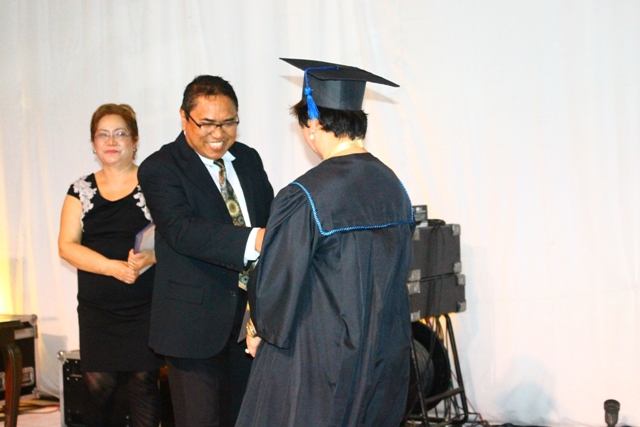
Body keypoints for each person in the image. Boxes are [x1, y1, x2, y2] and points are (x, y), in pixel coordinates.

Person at [237, 59, 416, 427]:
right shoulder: (395, 188)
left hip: (316, 362)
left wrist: (257, 330)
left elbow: (277, 286)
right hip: (381, 358)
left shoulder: (304, 195)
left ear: (314, 123)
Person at [137, 75, 274, 427]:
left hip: (250, 324)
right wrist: (255, 240)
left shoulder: (247, 159)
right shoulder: (159, 167)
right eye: (207, 123)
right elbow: (183, 232)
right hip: (194, 327)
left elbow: (270, 217)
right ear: (184, 118)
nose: (219, 133)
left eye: (228, 122)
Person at [58, 104, 163, 427]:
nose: (111, 141)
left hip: (143, 308)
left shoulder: (155, 184)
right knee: (97, 392)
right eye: (103, 134)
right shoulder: (80, 190)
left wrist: (151, 257)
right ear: (93, 142)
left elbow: (176, 237)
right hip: (98, 312)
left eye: (120, 133)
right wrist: (112, 267)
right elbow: (66, 246)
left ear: (135, 140)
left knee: (144, 388)